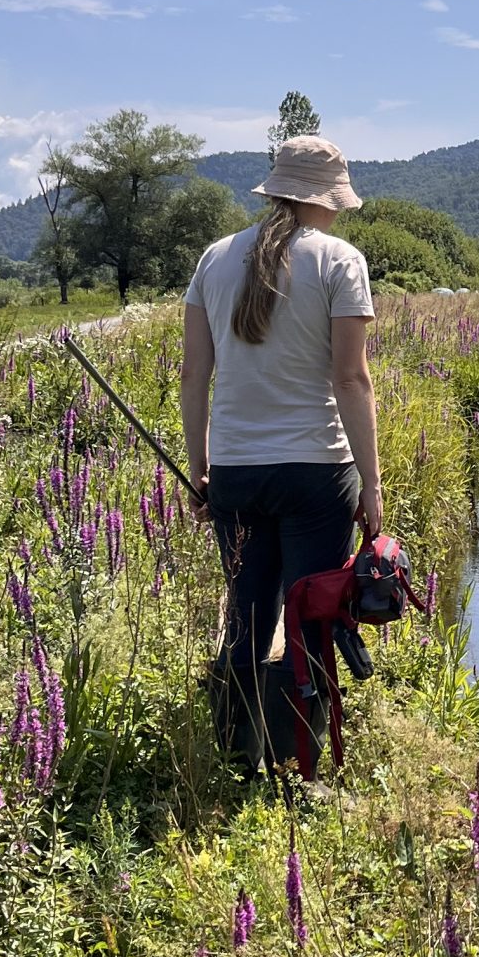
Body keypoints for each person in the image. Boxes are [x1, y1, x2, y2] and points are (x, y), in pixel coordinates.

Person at [180, 134, 381, 770]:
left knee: (246, 613)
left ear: (276, 190)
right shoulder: (340, 262)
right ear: (328, 199)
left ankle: (236, 752)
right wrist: (372, 487)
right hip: (317, 473)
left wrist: (200, 469)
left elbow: (193, 374)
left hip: (235, 471)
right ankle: (299, 765)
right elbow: (350, 381)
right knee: (309, 619)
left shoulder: (214, 259)